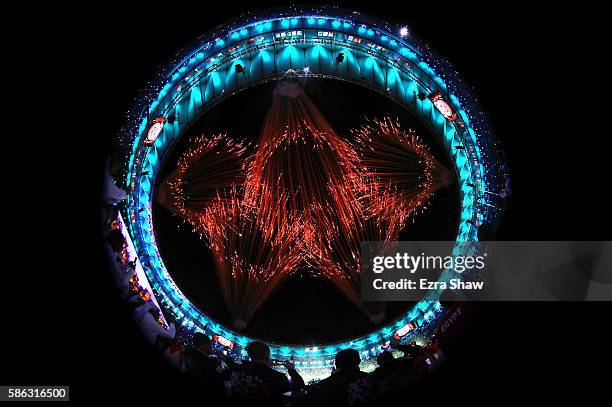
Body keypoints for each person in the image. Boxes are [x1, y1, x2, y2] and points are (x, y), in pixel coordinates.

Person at [229, 341, 304, 406]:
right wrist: (291, 369)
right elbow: (298, 392)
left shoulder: (235, 369)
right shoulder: (277, 377)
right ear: (267, 356)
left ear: (249, 354)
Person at [296, 349, 375, 406]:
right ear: (358, 361)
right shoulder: (371, 378)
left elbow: (300, 396)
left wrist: (292, 370)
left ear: (336, 364)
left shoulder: (326, 384)